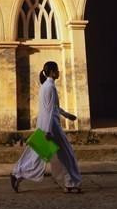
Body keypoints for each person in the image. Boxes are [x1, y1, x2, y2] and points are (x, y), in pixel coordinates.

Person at [10, 60, 83, 193]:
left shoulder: (45, 87)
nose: (58, 72)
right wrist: (48, 131)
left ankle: (18, 174)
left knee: (38, 155)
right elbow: (50, 110)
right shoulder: (50, 87)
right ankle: (70, 183)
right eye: (56, 70)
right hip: (51, 127)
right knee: (66, 154)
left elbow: (53, 107)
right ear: (51, 72)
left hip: (46, 125)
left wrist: (66, 115)